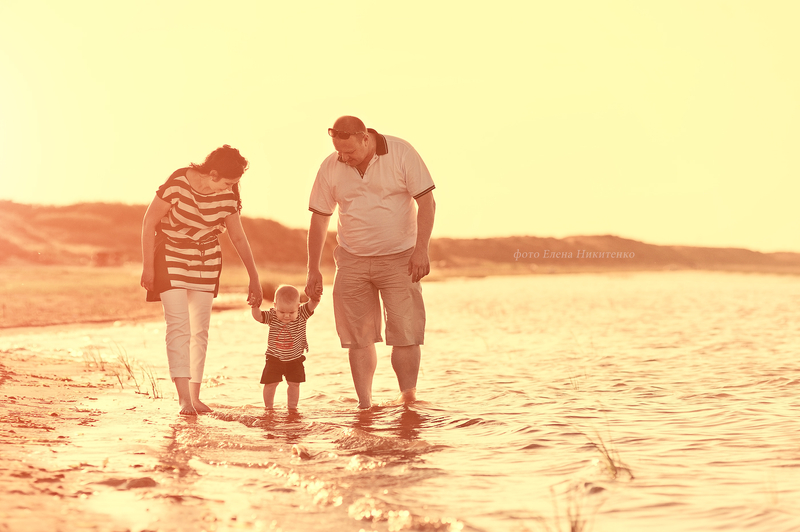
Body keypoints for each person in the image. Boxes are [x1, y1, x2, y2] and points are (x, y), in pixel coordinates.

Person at [305, 116, 436, 409]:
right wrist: (313, 269)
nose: (344, 158)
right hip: (351, 260)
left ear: (366, 138)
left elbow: (427, 202)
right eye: (339, 151)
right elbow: (319, 218)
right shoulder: (330, 166)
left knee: (405, 334)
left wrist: (421, 250)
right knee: (358, 338)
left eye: (349, 151)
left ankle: (407, 401)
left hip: (401, 258)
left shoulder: (401, 152)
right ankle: (364, 404)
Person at [140, 145, 262, 416]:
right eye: (227, 183)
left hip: (206, 261)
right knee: (178, 326)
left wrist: (254, 277)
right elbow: (149, 223)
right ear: (213, 174)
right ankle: (183, 399)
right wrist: (148, 267)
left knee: (200, 331)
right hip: (171, 255)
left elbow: (238, 237)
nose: (230, 189)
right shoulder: (178, 183)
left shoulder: (228, 196)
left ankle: (195, 397)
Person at [251, 285, 319, 410]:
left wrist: (316, 294)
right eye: (282, 312)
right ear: (275, 306)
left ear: (298, 307)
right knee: (270, 383)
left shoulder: (302, 314)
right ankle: (269, 408)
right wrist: (254, 306)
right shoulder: (272, 316)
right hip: (274, 358)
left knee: (294, 384)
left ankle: (292, 408)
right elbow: (258, 316)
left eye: (291, 312)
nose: (286, 316)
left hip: (295, 359)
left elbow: (313, 303)